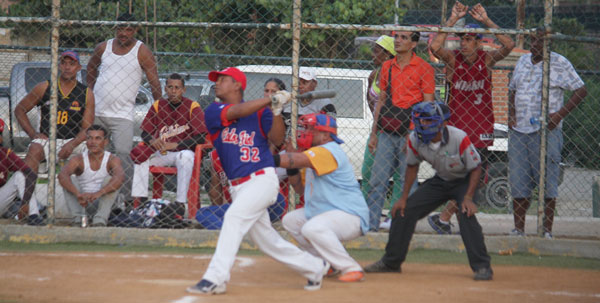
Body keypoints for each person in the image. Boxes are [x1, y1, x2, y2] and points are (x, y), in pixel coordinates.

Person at [186, 67, 329, 295]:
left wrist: (276, 110)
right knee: (267, 241)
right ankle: (315, 267)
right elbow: (238, 111)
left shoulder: (261, 112)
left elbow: (278, 138)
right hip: (238, 186)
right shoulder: (214, 111)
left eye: (223, 79)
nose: (218, 83)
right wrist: (268, 100)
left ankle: (215, 278)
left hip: (261, 180)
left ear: (237, 86)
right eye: (218, 79)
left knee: (233, 218)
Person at [364, 101, 493, 281]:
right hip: (441, 180)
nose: (423, 124)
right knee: (403, 212)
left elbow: (477, 168)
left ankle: (482, 267)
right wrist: (403, 198)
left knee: (466, 215)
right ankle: (391, 263)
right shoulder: (415, 139)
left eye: (428, 120)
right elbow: (411, 167)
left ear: (442, 123)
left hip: (464, 181)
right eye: (420, 120)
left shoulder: (458, 137)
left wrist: (469, 197)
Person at [427, 1, 515, 234]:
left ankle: (446, 218)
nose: (463, 43)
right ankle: (447, 217)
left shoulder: (486, 60)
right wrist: (453, 19)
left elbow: (509, 44)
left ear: (478, 42)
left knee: (474, 177)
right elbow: (435, 46)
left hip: (480, 129)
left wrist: (486, 21)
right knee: (462, 177)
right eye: (462, 39)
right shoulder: (454, 59)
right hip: (458, 129)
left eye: (468, 39)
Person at [508, 28, 587, 239]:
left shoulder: (559, 62)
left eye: (539, 42)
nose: (534, 45)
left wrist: (559, 114)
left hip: (546, 131)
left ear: (549, 44)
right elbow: (512, 89)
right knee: (519, 181)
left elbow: (581, 89)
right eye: (532, 41)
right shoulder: (523, 62)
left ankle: (547, 231)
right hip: (519, 132)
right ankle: (518, 229)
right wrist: (511, 114)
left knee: (547, 182)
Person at [278, 113, 369, 283]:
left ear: (326, 135)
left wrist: (268, 159)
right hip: (328, 213)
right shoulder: (314, 154)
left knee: (312, 228)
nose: (306, 132)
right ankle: (325, 263)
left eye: (312, 129)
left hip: (350, 215)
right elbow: (299, 189)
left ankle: (351, 268)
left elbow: (296, 159)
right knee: (291, 220)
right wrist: (292, 166)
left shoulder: (329, 150)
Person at [86, 12, 162, 207]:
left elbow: (154, 83)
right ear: (115, 29)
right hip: (99, 112)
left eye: (128, 29)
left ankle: (126, 200)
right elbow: (91, 68)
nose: (124, 33)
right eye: (120, 28)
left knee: (124, 154)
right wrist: (89, 94)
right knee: (95, 153)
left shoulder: (141, 51)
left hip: (123, 114)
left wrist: (160, 109)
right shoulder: (104, 47)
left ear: (135, 30)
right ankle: (92, 194)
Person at [366, 29, 435, 231]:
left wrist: (419, 135)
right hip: (387, 130)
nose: (398, 41)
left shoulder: (424, 68)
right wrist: (374, 133)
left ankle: (404, 226)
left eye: (404, 38)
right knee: (377, 179)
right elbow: (382, 101)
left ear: (413, 44)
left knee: (408, 182)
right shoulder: (387, 66)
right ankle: (371, 225)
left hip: (412, 132)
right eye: (397, 37)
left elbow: (428, 105)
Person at [14, 50, 94, 223]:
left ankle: (86, 212)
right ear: (59, 66)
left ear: (78, 67)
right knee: (34, 149)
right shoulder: (45, 87)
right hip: (48, 139)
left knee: (91, 152)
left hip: (73, 141)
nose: (67, 67)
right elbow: (20, 109)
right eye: (64, 63)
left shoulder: (86, 93)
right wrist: (33, 134)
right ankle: (30, 208)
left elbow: (86, 129)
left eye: (71, 63)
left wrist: (72, 145)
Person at [129, 73, 207, 222]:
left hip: (182, 153)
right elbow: (145, 132)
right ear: (166, 88)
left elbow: (201, 137)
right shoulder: (158, 105)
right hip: (162, 153)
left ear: (183, 90)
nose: (173, 91)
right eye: (170, 87)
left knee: (186, 157)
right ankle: (142, 200)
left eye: (177, 88)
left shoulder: (192, 106)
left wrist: (177, 144)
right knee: (141, 157)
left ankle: (180, 202)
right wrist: (152, 140)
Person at [360, 35, 403, 230]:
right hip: (379, 130)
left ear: (388, 53)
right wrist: (377, 126)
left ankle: (395, 215)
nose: (373, 54)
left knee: (400, 175)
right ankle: (365, 213)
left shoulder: (399, 74)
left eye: (377, 50)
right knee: (368, 172)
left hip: (401, 130)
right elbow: (371, 101)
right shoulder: (374, 75)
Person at [58, 125, 125, 227]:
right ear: (86, 141)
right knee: (68, 179)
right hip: (82, 201)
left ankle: (100, 221)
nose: (93, 142)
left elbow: (120, 178)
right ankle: (78, 219)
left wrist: (98, 193)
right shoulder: (78, 159)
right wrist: (78, 194)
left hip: (103, 203)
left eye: (98, 138)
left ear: (105, 141)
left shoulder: (112, 159)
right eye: (90, 138)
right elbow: (62, 175)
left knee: (111, 179)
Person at [0, 118, 38, 224]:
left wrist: (25, 203)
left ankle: (33, 215)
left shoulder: (5, 153)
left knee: (20, 175)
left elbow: (31, 174)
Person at [281, 67, 336, 135]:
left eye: (304, 82)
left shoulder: (324, 104)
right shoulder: (287, 100)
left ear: (315, 83)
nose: (300, 86)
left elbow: (330, 131)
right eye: (297, 82)